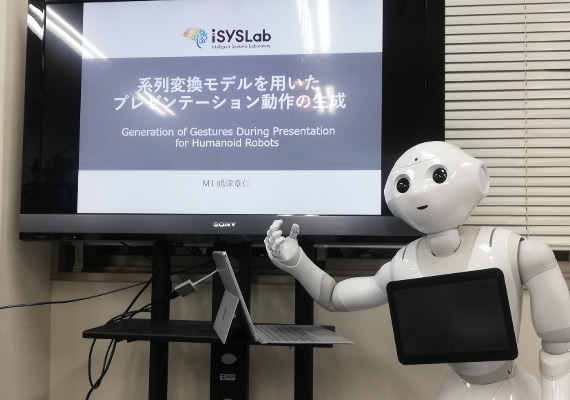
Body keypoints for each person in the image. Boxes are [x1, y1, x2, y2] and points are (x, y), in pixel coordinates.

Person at [264, 141, 570, 400]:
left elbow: (560, 347)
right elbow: (333, 296)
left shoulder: (513, 250)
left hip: (515, 390)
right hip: (456, 388)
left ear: (480, 177)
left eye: (437, 175)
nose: (418, 192)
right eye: (404, 184)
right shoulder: (405, 263)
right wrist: (297, 261)